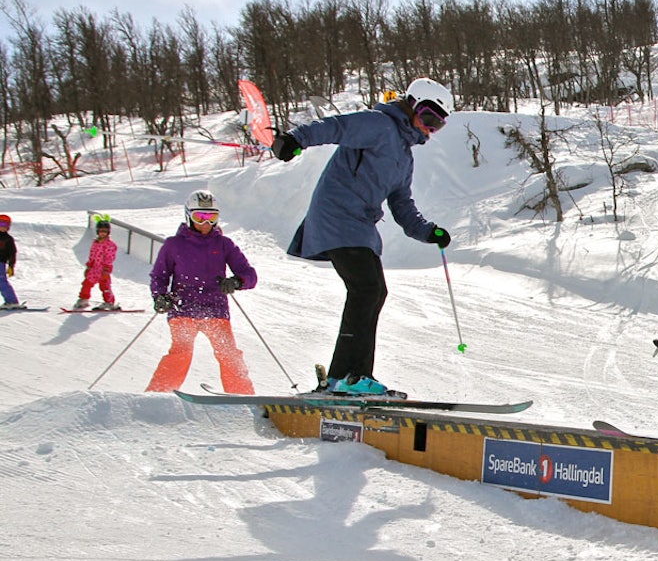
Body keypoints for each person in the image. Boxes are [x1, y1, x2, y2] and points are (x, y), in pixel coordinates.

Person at [271, 77, 454, 396]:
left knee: (373, 292)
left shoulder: (404, 157)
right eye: (427, 117)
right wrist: (294, 139)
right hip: (336, 215)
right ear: (411, 104)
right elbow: (336, 127)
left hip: (359, 225)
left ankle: (349, 377)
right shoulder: (378, 124)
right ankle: (347, 377)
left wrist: (428, 231)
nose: (429, 127)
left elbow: (402, 205)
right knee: (368, 289)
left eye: (437, 124)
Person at [146, 190, 258, 394]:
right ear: (188, 216)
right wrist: (159, 296)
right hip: (183, 308)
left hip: (214, 309)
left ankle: (243, 396)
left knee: (228, 353)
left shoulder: (224, 244)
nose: (206, 223)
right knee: (182, 352)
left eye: (211, 217)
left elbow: (249, 274)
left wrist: (236, 282)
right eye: (200, 217)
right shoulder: (174, 244)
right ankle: (158, 394)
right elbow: (159, 276)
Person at [73, 216, 120, 310]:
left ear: (108, 232)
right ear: (97, 231)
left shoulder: (110, 245)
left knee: (105, 286)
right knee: (86, 283)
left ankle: (109, 302)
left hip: (103, 270)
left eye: (105, 231)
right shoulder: (96, 242)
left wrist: (106, 270)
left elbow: (110, 258)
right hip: (94, 268)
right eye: (101, 231)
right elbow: (92, 255)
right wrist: (89, 266)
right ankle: (84, 299)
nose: (102, 233)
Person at [0, 214, 23, 310]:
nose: (2, 226)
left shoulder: (8, 239)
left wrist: (11, 266)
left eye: (5, 224)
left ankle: (12, 301)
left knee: (1, 282)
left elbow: (12, 253)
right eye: (1, 223)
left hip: (0, 263)